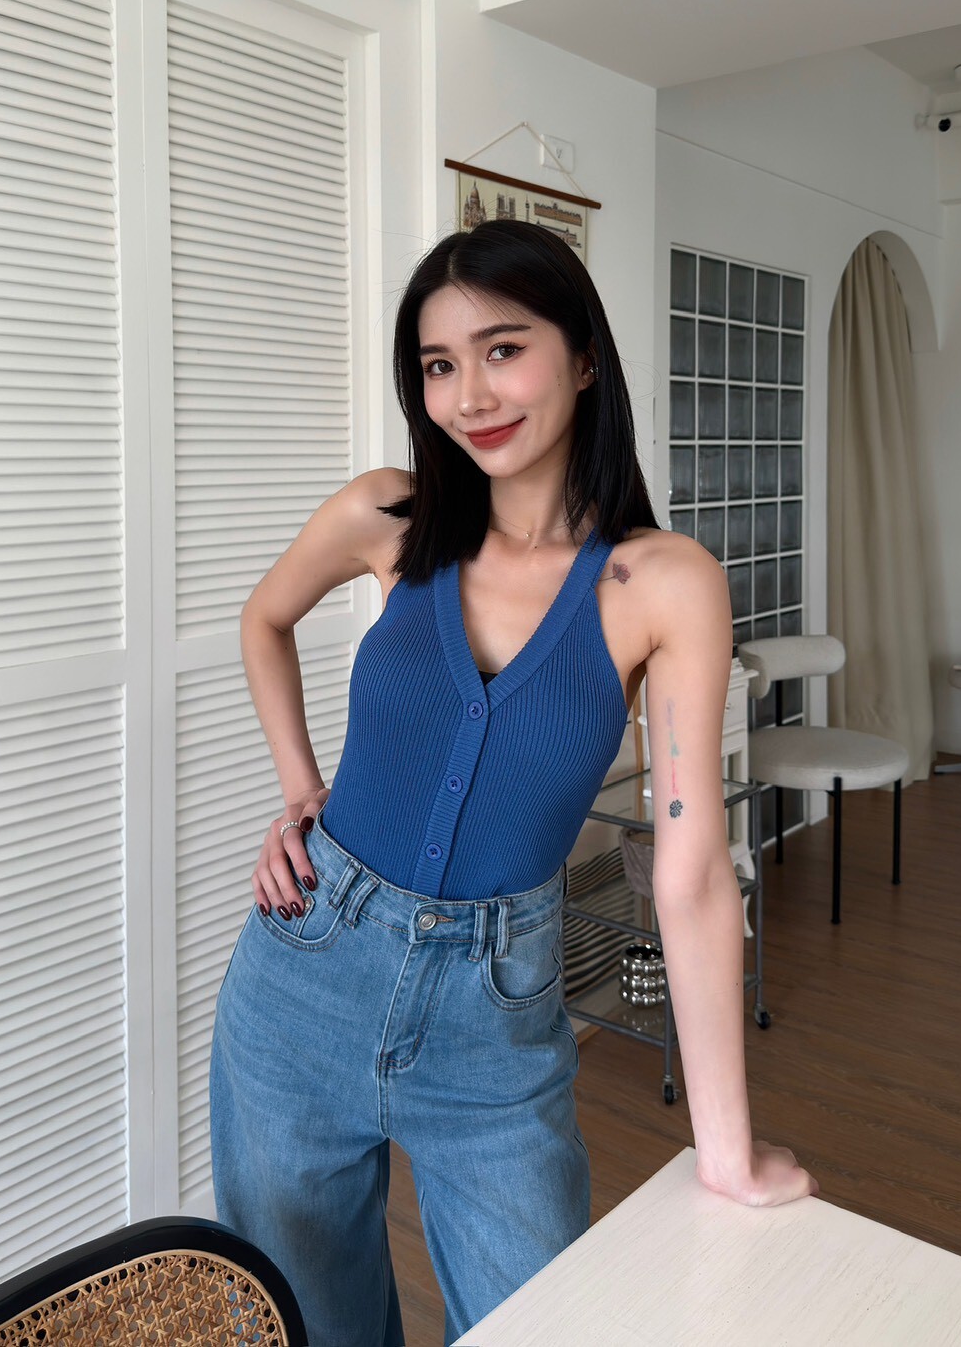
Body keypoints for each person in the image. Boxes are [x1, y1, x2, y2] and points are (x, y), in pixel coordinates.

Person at [210, 219, 817, 1347]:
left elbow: (690, 875)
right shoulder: (388, 518)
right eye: (439, 365)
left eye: (503, 350)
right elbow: (264, 619)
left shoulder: (662, 582)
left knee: (542, 1321)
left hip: (495, 1017)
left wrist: (725, 1149)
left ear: (583, 356)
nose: (470, 395)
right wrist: (301, 791)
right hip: (301, 980)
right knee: (306, 1324)